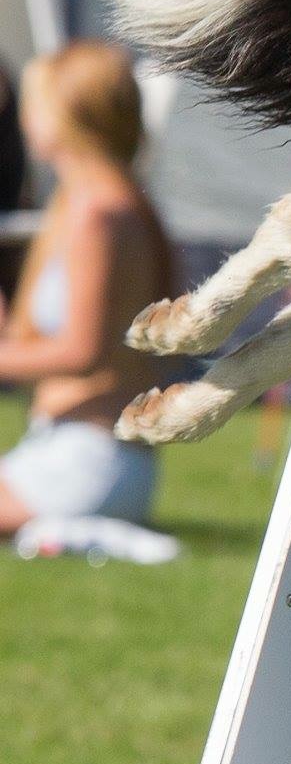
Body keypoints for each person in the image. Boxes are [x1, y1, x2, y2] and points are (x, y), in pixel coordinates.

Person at [0, 42, 174, 533]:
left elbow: (83, 352)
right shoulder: (121, 202)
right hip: (84, 454)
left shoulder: (96, 213)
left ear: (67, 114)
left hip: (86, 460)